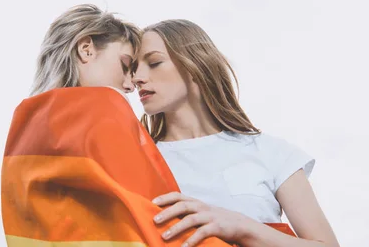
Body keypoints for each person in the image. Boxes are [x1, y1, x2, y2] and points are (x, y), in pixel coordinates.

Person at [1, 5, 235, 247]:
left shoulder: (24, 128)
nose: (130, 84)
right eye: (125, 66)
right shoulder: (105, 110)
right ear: (86, 49)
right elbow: (163, 221)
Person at [133, 19, 339, 247]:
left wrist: (242, 227)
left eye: (154, 62)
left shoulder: (273, 153)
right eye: (132, 68)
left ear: (195, 64)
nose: (136, 78)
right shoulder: (137, 160)